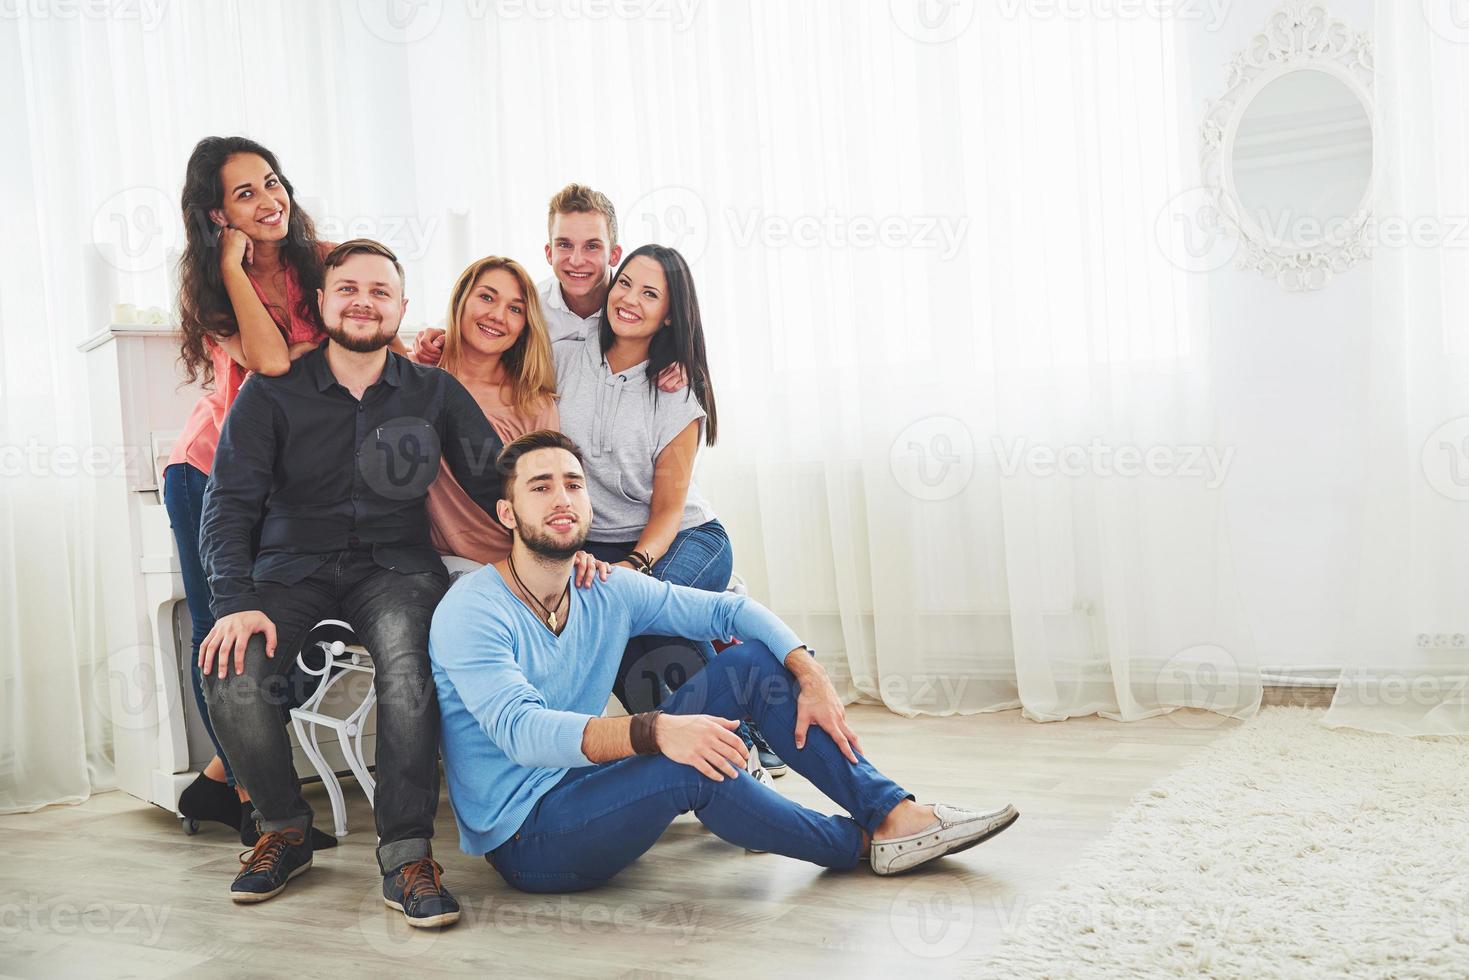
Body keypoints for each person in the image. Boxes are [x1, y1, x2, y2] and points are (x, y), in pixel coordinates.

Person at [429, 430, 1019, 890]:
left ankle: (890, 809)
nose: (562, 498)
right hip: (531, 836)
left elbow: (728, 614)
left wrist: (810, 671)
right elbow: (522, 732)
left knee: (749, 664)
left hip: (588, 779)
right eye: (540, 487)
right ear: (508, 515)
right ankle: (864, 844)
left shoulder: (603, 588)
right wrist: (657, 730)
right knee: (691, 761)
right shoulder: (472, 610)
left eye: (573, 484)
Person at [197, 239, 507, 926]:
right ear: (323, 303)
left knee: (406, 666)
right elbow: (230, 503)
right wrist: (233, 604)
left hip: (395, 567)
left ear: (399, 308)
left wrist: (561, 539)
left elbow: (495, 480)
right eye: (348, 289)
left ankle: (405, 854)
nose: (363, 301)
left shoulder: (433, 391)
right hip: (289, 566)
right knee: (231, 668)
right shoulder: (269, 391)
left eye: (379, 291)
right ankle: (283, 828)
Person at [554, 243, 786, 774]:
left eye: (650, 293)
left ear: (668, 315)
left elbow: (667, 511)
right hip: (600, 542)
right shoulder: (566, 355)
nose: (629, 299)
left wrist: (634, 570)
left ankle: (737, 754)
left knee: (648, 615)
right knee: (613, 630)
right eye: (625, 284)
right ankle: (717, 742)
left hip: (685, 538)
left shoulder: (677, 391)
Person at [165, 136, 337, 846]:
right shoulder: (210, 282)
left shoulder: (321, 262)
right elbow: (270, 359)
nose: (269, 202)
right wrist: (234, 265)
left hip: (285, 486)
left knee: (290, 642)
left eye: (272, 183)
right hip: (209, 473)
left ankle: (215, 782)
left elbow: (364, 337)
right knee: (227, 641)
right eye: (245, 194)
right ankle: (255, 807)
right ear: (216, 215)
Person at [421, 256, 558, 568]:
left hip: (510, 565)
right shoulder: (418, 377)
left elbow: (547, 495)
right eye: (486, 297)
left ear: (525, 325)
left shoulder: (533, 403)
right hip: (427, 564)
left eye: (515, 309)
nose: (498, 316)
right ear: (461, 301)